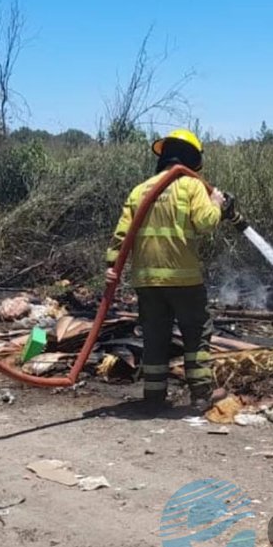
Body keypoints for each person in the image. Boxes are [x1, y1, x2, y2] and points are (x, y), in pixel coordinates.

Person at [105, 129, 234, 414]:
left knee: (155, 337)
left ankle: (153, 398)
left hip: (147, 280)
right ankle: (202, 395)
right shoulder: (190, 186)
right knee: (196, 335)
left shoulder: (140, 190)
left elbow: (120, 236)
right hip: (184, 278)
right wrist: (217, 205)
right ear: (193, 158)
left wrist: (111, 268)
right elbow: (205, 223)